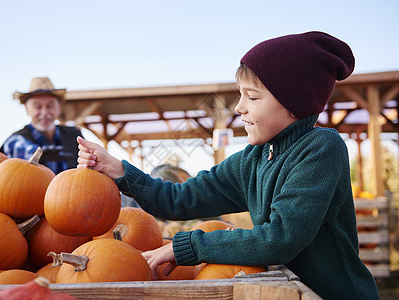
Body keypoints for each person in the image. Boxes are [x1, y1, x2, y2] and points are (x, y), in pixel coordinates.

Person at [76, 31, 380, 299]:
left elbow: (280, 238)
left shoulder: (321, 149)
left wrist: (190, 247)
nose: (239, 107)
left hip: (333, 294)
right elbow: (180, 198)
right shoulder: (252, 160)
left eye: (253, 97)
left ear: (295, 105)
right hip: (285, 292)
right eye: (240, 95)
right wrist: (118, 170)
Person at [0, 77, 83, 174]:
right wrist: (42, 154)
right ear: (27, 109)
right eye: (38, 107)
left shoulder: (74, 136)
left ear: (59, 108)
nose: (44, 112)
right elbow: (24, 148)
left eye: (50, 106)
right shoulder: (15, 140)